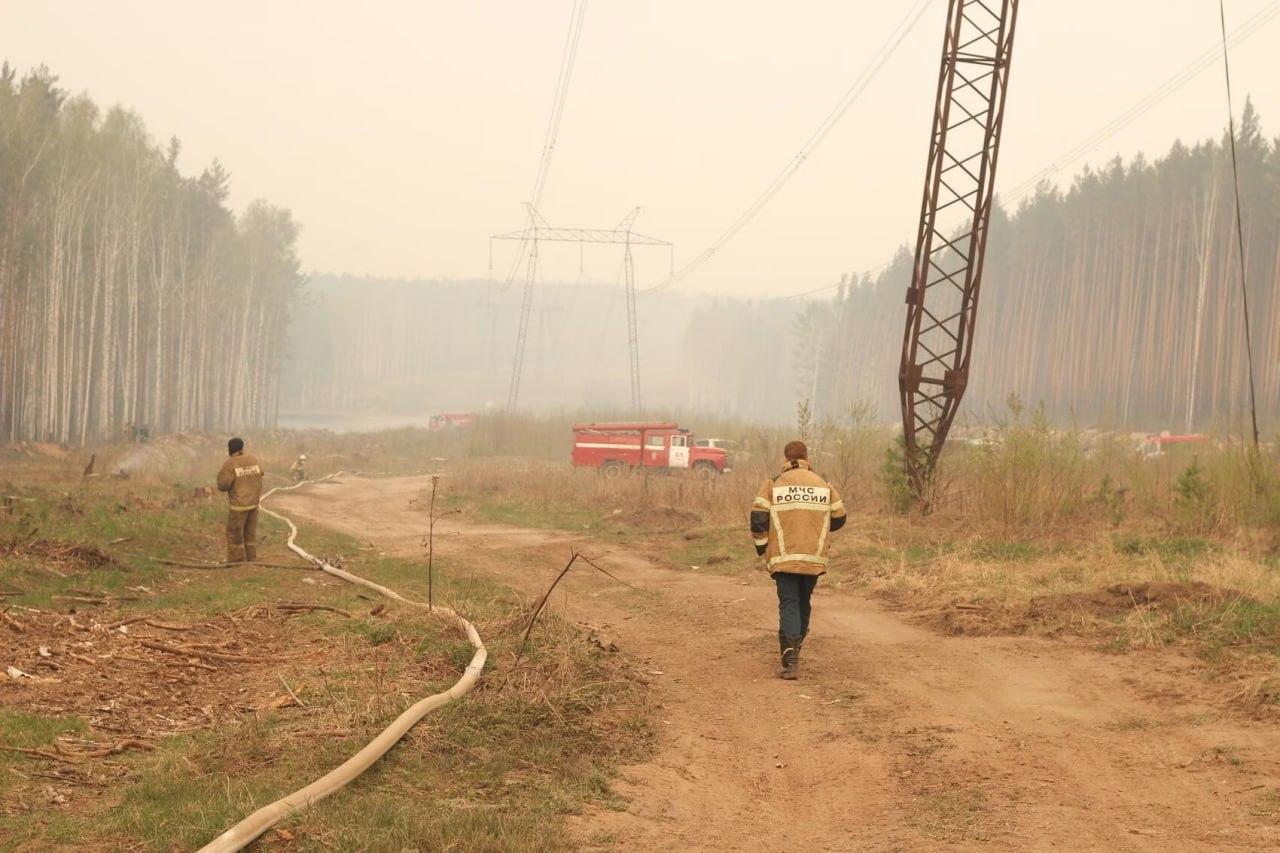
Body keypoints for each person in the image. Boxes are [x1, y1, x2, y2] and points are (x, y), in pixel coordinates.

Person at [749, 440, 846, 680]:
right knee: (804, 601)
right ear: (806, 457)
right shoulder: (824, 484)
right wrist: (816, 527)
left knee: (789, 602)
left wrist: (762, 547)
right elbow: (840, 517)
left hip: (783, 556)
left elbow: (758, 518)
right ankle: (797, 645)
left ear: (786, 458)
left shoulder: (773, 483)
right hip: (813, 556)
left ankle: (791, 658)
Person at [216, 437, 264, 563]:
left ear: (230, 448)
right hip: (253, 506)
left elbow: (222, 485)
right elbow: (260, 475)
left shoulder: (231, 463)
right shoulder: (253, 460)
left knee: (234, 534)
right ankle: (251, 558)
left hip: (239, 507)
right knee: (249, 535)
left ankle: (236, 561)